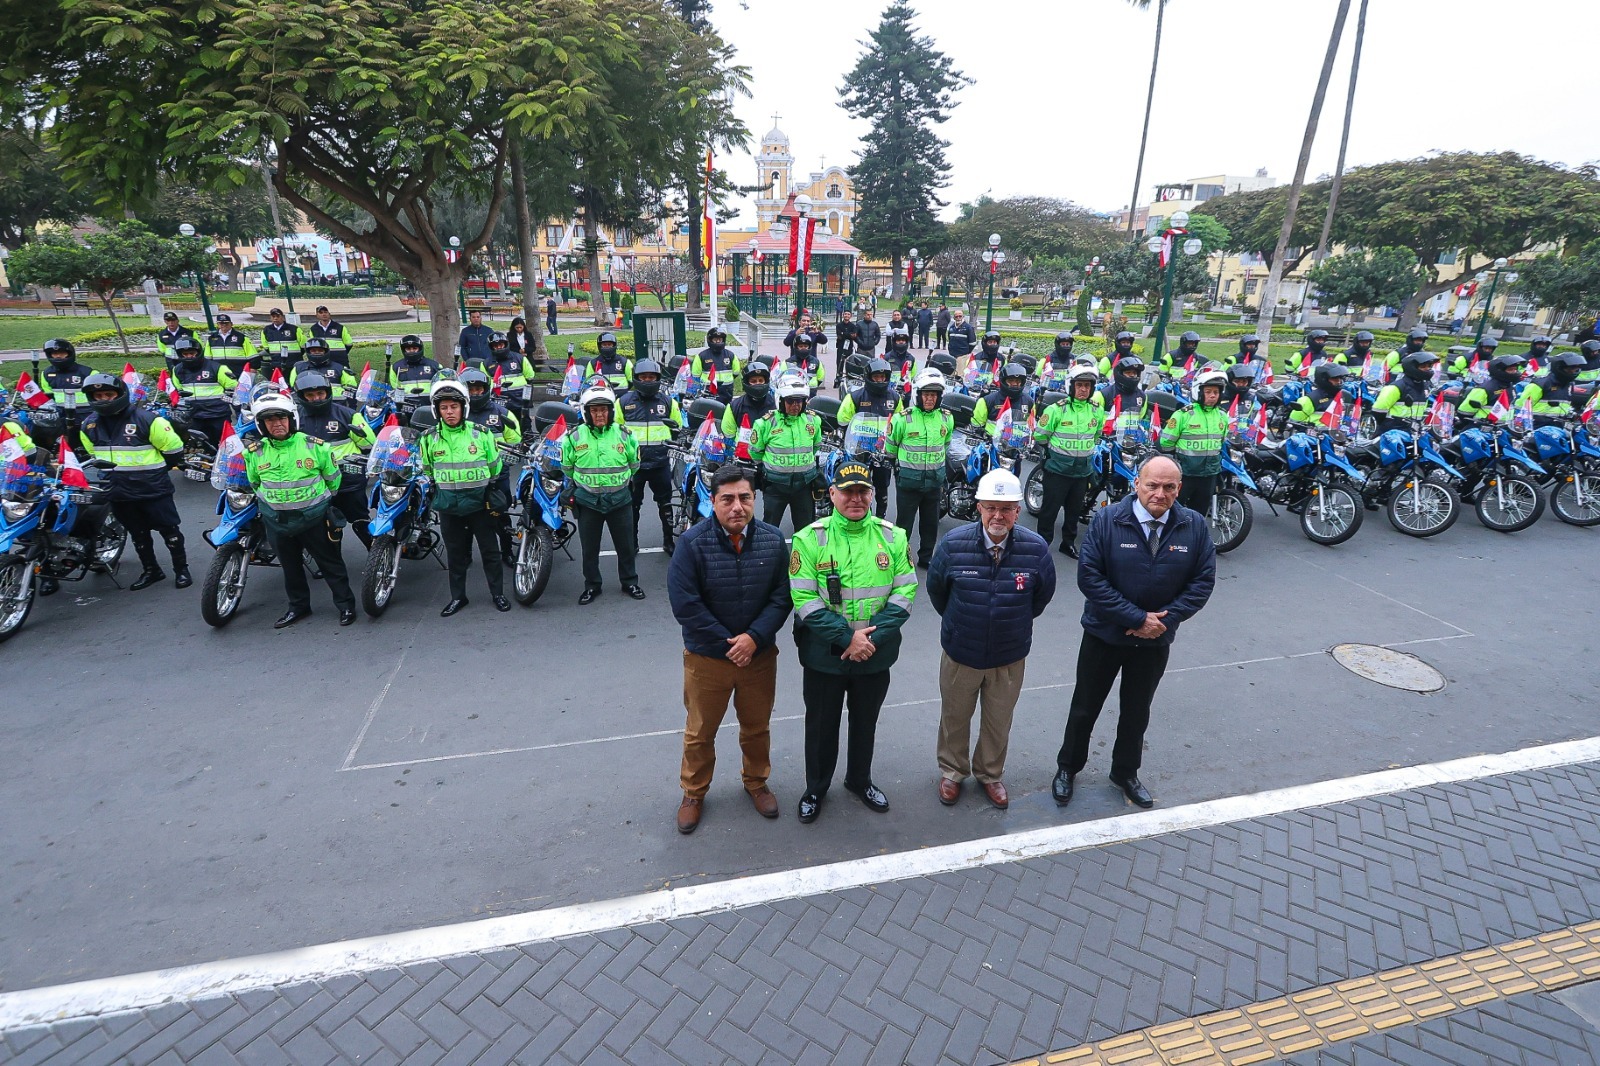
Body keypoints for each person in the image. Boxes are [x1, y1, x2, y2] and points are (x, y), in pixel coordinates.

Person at [1053, 455, 1216, 810]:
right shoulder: (1108, 519)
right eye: (1152, 485)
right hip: (1103, 635)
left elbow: (1202, 583)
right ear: (1137, 483)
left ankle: (1125, 772)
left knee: (1137, 711)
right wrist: (1136, 617)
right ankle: (1068, 767)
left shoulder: (1194, 526)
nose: (1160, 493)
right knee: (1085, 707)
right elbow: (1090, 578)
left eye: (1169, 487)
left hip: (1155, 639)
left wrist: (1163, 621)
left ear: (1179, 489)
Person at [789, 460, 918, 823]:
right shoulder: (809, 538)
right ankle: (815, 788)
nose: (856, 498)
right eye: (847, 492)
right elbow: (804, 600)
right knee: (821, 725)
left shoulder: (893, 536)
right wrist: (849, 637)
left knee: (866, 722)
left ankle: (859, 781)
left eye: (863, 491)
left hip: (874, 655)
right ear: (832, 494)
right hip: (825, 656)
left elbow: (905, 591)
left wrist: (867, 639)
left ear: (873, 495)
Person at [667, 464, 794, 833]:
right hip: (708, 659)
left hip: (758, 657)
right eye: (728, 499)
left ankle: (756, 782)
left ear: (754, 499)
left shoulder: (772, 541)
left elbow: (782, 596)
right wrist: (730, 644)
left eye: (744, 498)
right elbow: (685, 605)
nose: (737, 506)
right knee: (700, 732)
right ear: (713, 501)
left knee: (756, 727)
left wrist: (754, 637)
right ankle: (693, 792)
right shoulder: (691, 543)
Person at [926, 469, 1056, 809]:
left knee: (999, 721)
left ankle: (990, 773)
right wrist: (960, 624)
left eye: (1006, 508)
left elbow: (1041, 597)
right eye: (990, 508)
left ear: (1017, 511)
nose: (998, 516)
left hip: (1008, 655)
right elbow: (937, 591)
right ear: (979, 508)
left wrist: (1013, 624)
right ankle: (953, 771)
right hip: (961, 652)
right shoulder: (953, 546)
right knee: (954, 716)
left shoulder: (1036, 549)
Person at [244, 393, 357, 628]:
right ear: (261, 424)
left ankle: (346, 606)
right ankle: (298, 607)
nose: (277, 424)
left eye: (282, 418)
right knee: (290, 567)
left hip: (313, 519)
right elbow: (254, 483)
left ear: (292, 419)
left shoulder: (316, 447)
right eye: (270, 420)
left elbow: (333, 481)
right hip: (277, 521)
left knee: (331, 565)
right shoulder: (253, 452)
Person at [78, 372, 191, 592]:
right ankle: (151, 570)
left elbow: (174, 450)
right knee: (138, 535)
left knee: (170, 533)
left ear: (120, 394)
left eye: (108, 394)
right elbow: (93, 456)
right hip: (118, 491)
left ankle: (181, 570)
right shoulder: (89, 425)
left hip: (152, 489)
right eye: (98, 395)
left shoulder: (148, 419)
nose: (103, 399)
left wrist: (154, 472)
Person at [418, 378, 512, 615]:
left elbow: (495, 467)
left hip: (479, 504)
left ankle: (497, 594)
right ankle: (458, 597)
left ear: (464, 407)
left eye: (454, 407)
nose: (449, 412)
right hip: (449, 506)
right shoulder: (428, 438)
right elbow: (428, 470)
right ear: (437, 410)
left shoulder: (482, 434)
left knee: (490, 551)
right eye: (444, 408)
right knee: (456, 555)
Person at [563, 383, 643, 604]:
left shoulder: (625, 435)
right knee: (590, 549)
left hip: (620, 499)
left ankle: (630, 582)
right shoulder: (574, 437)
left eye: (604, 410)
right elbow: (566, 467)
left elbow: (634, 464)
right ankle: (592, 586)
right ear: (586, 413)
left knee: (625, 546)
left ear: (611, 411)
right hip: (588, 501)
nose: (599, 414)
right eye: (594, 410)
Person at [294, 370, 376, 548]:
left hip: (349, 480)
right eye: (310, 395)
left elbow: (371, 445)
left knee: (361, 521)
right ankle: (330, 565)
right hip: (314, 483)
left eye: (320, 393)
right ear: (302, 396)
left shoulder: (348, 415)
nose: (317, 398)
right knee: (322, 527)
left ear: (328, 392)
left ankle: (379, 558)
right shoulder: (294, 419)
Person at [887, 367, 955, 567]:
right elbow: (890, 449)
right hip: (909, 482)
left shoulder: (946, 418)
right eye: (926, 394)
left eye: (934, 395)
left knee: (930, 524)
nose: (930, 399)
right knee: (904, 525)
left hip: (934, 482)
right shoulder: (903, 419)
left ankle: (926, 558)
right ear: (917, 394)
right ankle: (899, 558)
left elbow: (946, 445)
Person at [1036, 365, 1103, 557]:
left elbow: (1096, 435)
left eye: (1087, 386)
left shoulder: (1096, 411)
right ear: (1071, 386)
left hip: (1081, 471)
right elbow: (1041, 436)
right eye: (1080, 385)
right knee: (1049, 511)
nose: (1083, 389)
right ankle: (1042, 545)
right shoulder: (1056, 410)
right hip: (1057, 469)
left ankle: (1068, 543)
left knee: (1074, 511)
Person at [617, 358, 682, 555]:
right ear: (636, 379)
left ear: (658, 378)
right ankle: (632, 542)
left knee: (666, 505)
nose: (647, 381)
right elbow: (615, 432)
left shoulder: (668, 402)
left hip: (660, 464)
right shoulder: (623, 402)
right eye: (643, 377)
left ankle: (668, 540)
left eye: (651, 377)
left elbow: (677, 429)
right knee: (632, 507)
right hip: (634, 466)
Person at [750, 376, 824, 531]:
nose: (795, 405)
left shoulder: (813, 421)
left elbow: (816, 446)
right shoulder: (765, 423)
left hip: (804, 485)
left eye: (800, 401)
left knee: (806, 530)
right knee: (769, 528)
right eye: (791, 401)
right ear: (781, 400)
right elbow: (755, 453)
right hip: (776, 486)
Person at [835, 358, 899, 518]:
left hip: (883, 450)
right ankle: (864, 516)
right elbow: (842, 420)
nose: (880, 380)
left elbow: (899, 423)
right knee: (861, 485)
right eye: (877, 376)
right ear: (868, 376)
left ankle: (881, 516)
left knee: (882, 485)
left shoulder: (895, 398)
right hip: (859, 449)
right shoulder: (855, 397)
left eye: (883, 377)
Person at [1159, 368, 1228, 515]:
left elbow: (1221, 442)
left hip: (1209, 474)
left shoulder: (1222, 416)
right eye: (1208, 392)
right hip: (1186, 474)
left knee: (1199, 514)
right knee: (1174, 511)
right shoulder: (1183, 415)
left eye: (1216, 392)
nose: (1212, 396)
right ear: (1199, 391)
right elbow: (1166, 442)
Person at [171, 335, 238, 447]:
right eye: (185, 354)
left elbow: (234, 388)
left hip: (218, 415)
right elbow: (179, 390)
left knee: (225, 445)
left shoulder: (217, 368)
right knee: (200, 447)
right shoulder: (177, 370)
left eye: (192, 353)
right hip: (195, 417)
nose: (189, 357)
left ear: (198, 352)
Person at [1373, 352, 1438, 433]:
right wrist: (1393, 424)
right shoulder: (1395, 388)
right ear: (1412, 368)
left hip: (1414, 432)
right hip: (1393, 432)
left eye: (1429, 366)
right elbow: (1378, 411)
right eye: (1423, 366)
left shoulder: (1425, 387)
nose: (1427, 369)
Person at [472, 330, 531, 419]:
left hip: (519, 400)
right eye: (496, 346)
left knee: (524, 425)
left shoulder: (519, 358)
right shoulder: (486, 363)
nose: (499, 347)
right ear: (491, 347)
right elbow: (484, 383)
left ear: (506, 344)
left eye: (501, 344)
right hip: (498, 401)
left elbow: (530, 376)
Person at [1456, 353, 1527, 423]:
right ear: (1499, 371)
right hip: (1483, 429)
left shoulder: (1510, 386)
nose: (1514, 372)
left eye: (1515, 369)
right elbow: (1464, 413)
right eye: (1510, 370)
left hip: (1505, 428)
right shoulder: (1485, 389)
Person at [1520, 351, 1587, 424]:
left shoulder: (1568, 385)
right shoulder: (1539, 385)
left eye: (1577, 368)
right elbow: (1520, 408)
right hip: (1538, 426)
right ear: (1559, 367)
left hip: (1561, 425)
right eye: (1571, 368)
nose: (1574, 371)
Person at [720, 362, 776, 449]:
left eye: (761, 381)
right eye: (753, 381)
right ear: (746, 383)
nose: (758, 384)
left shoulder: (777, 405)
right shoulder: (734, 406)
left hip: (770, 456)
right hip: (742, 457)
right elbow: (729, 436)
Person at [38, 338, 95, 410]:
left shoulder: (88, 373)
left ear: (69, 353)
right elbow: (49, 396)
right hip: (60, 412)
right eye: (55, 353)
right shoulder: (46, 373)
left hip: (85, 412)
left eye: (62, 353)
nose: (58, 356)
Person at [290, 335, 358, 395]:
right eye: (313, 350)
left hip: (336, 404)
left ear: (326, 351)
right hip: (307, 405)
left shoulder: (339, 368)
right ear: (308, 352)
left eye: (320, 350)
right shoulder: (298, 369)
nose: (317, 352)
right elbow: (293, 390)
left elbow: (351, 390)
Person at [692, 325, 741, 403]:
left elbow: (736, 372)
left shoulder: (731, 355)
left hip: (726, 392)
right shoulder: (701, 356)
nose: (718, 341)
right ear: (710, 340)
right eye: (715, 339)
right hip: (708, 392)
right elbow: (695, 376)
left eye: (720, 339)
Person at [260, 308, 302, 375]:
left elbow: (303, 345)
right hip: (276, 363)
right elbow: (266, 346)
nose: (275, 318)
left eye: (277, 316)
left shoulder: (294, 329)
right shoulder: (266, 330)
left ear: (283, 317)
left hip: (293, 363)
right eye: (273, 316)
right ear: (270, 318)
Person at [834, 311, 859, 387]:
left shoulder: (853, 326)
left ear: (850, 316)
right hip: (841, 346)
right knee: (839, 364)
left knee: (849, 364)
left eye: (848, 314)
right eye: (845, 314)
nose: (846, 316)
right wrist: (848, 334)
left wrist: (844, 333)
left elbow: (854, 336)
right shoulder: (839, 325)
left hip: (849, 347)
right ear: (843, 315)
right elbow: (839, 336)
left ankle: (849, 380)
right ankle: (838, 380)